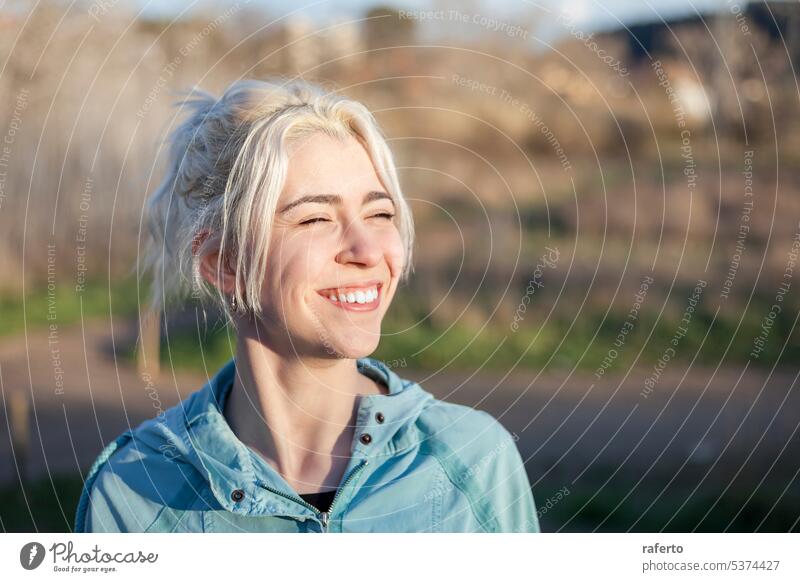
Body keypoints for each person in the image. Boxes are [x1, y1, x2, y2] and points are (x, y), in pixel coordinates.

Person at [74, 78, 540, 533]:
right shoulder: (132, 493)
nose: (368, 250)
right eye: (316, 217)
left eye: (379, 213)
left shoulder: (475, 463)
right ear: (224, 264)